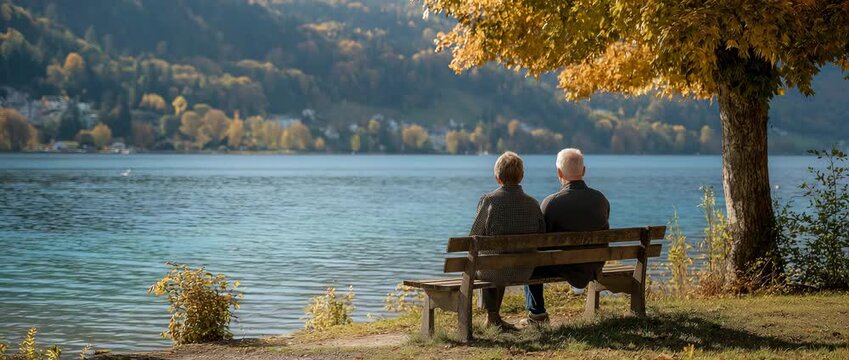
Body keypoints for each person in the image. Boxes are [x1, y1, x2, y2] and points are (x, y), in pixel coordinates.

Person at [521, 148, 610, 326]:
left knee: (530, 262)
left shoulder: (550, 203)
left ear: (559, 173)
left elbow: (542, 242)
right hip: (594, 263)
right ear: (583, 171)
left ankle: (537, 313)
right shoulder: (601, 199)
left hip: (563, 265)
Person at [469, 151, 545, 331]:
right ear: (522, 176)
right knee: (495, 260)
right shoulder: (533, 204)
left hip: (494, 271)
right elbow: (542, 236)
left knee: (486, 260)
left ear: (497, 177)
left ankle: (492, 317)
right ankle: (493, 318)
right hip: (524, 270)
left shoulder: (489, 201)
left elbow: (474, 236)